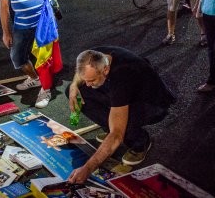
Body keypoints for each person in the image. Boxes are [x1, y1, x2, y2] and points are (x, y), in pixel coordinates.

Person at [66, 47, 176, 183]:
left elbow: (117, 134)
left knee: (121, 127)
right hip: (129, 89)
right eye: (86, 79)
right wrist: (74, 85)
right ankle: (109, 127)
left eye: (92, 80)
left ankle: (140, 141)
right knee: (76, 92)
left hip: (153, 103)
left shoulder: (122, 77)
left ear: (105, 70)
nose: (88, 84)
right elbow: (80, 73)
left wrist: (87, 168)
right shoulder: (94, 56)